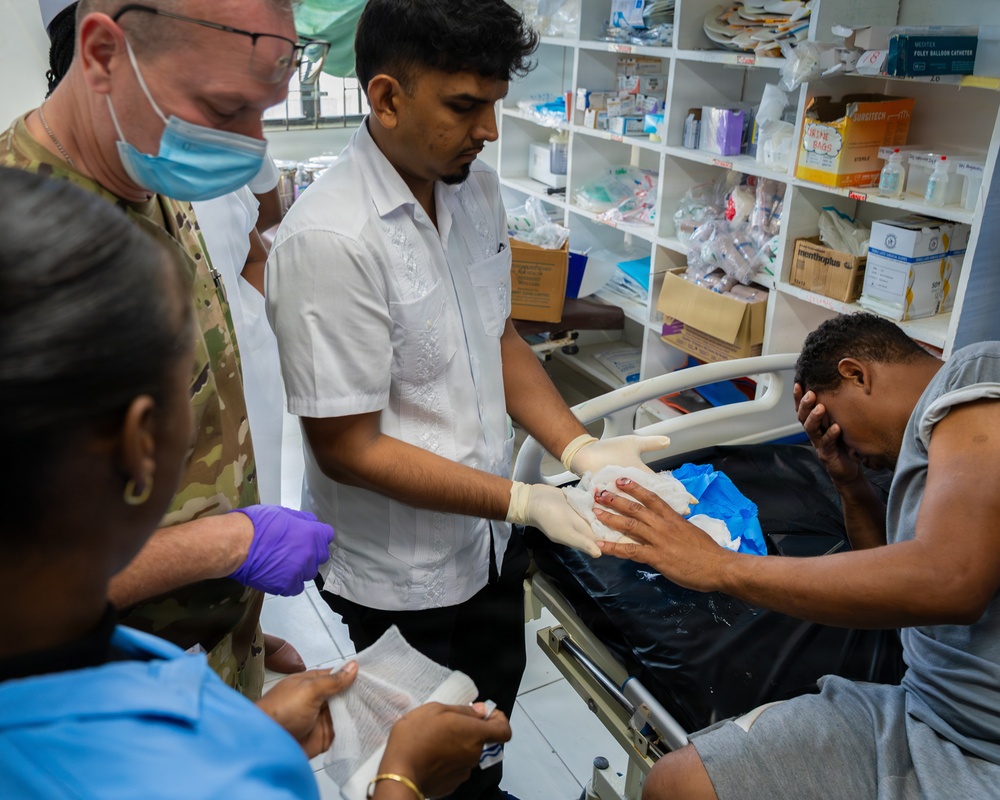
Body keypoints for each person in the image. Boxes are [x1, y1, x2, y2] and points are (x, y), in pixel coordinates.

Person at [0, 167, 512, 800]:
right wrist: (402, 777)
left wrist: (253, 724)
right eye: (194, 378)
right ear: (139, 442)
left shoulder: (67, 666)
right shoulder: (220, 777)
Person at [265, 1, 669, 796]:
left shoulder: (473, 188)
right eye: (464, 106)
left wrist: (576, 447)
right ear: (385, 98)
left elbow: (501, 338)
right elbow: (347, 450)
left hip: (486, 550)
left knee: (486, 737)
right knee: (409, 764)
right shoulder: (331, 239)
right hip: (398, 584)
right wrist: (522, 499)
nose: (488, 128)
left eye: (494, 102)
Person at [2, 0, 337, 697]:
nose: (249, 145)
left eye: (262, 110)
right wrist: (227, 546)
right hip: (90, 705)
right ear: (100, 55)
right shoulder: (24, 244)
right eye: (221, 110)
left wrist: (226, 625)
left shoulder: (143, 169)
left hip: (190, 655)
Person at [592, 312, 1000, 799]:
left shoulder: (974, 373)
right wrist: (848, 480)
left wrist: (721, 567)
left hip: (978, 741)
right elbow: (899, 598)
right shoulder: (917, 465)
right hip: (929, 716)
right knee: (677, 783)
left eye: (833, 422)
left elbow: (948, 581)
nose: (834, 439)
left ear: (856, 374)